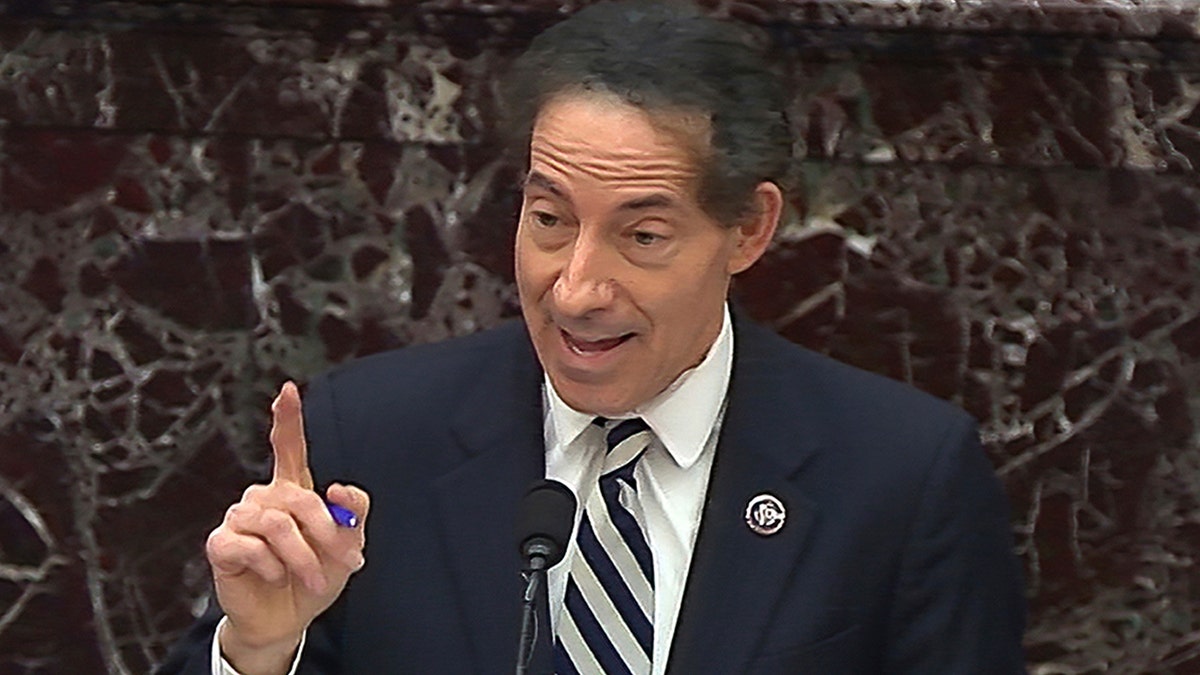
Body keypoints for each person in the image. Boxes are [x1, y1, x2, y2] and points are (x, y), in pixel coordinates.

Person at [159, 2, 1026, 673]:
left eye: (642, 236)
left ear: (750, 228)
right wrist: (260, 646)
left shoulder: (902, 478)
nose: (575, 288)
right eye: (548, 218)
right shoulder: (371, 437)